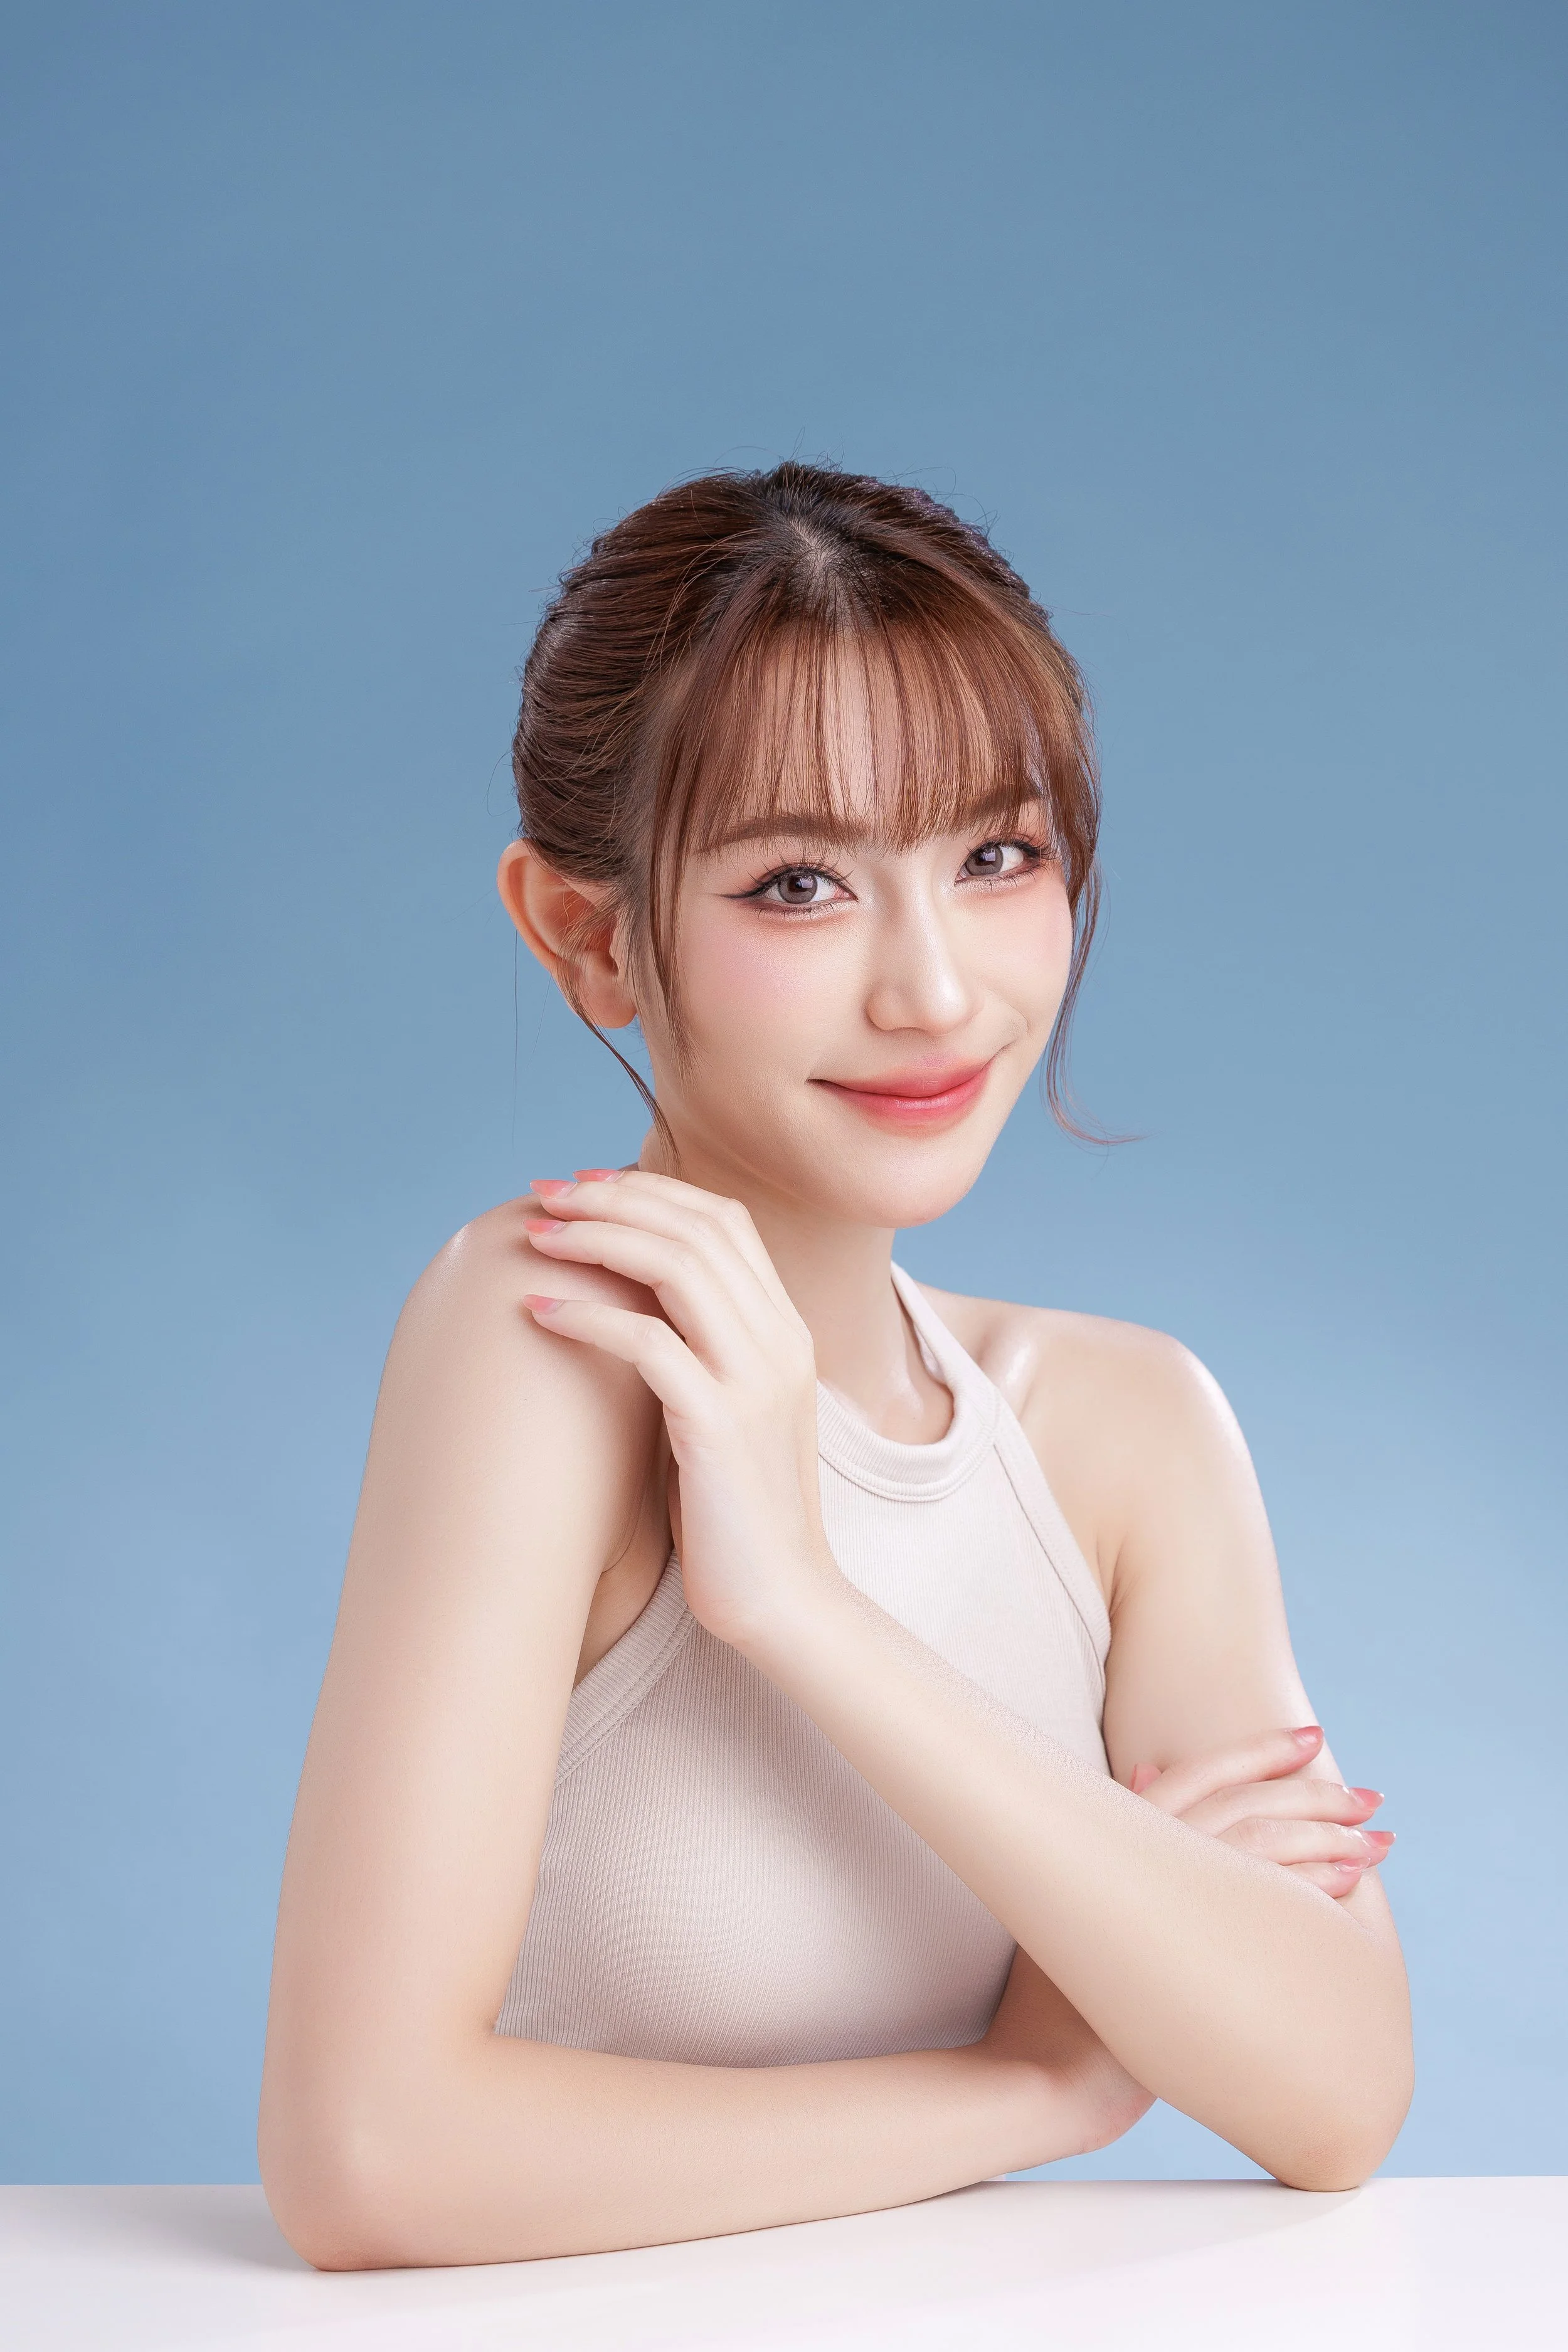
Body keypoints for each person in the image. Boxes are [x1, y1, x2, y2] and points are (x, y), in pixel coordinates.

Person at [258, 463, 1413, 2271]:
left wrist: (805, 1607)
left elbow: (1335, 2092)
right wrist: (1032, 2089)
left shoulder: (1123, 1423)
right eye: (799, 883)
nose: (937, 992)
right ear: (589, 935)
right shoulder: (552, 1333)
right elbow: (368, 2154)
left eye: (996, 857)